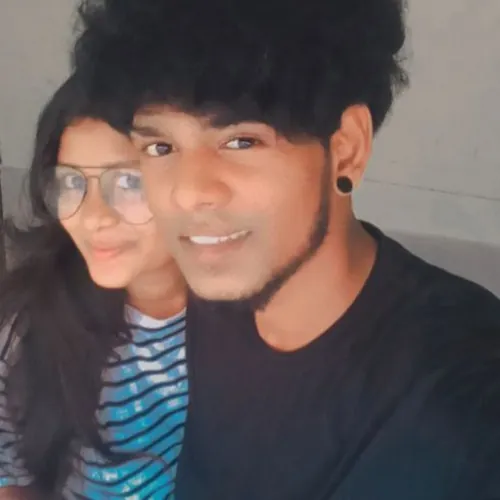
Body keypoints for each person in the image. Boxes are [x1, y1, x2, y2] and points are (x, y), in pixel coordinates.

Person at [73, 0, 500, 498]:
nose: (187, 192)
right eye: (160, 148)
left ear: (346, 149)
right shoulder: (197, 298)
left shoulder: (464, 396)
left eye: (241, 141)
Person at [0, 76, 188, 499]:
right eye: (71, 183)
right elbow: (11, 476)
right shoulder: (28, 325)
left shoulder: (254, 311)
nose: (94, 216)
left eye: (129, 182)